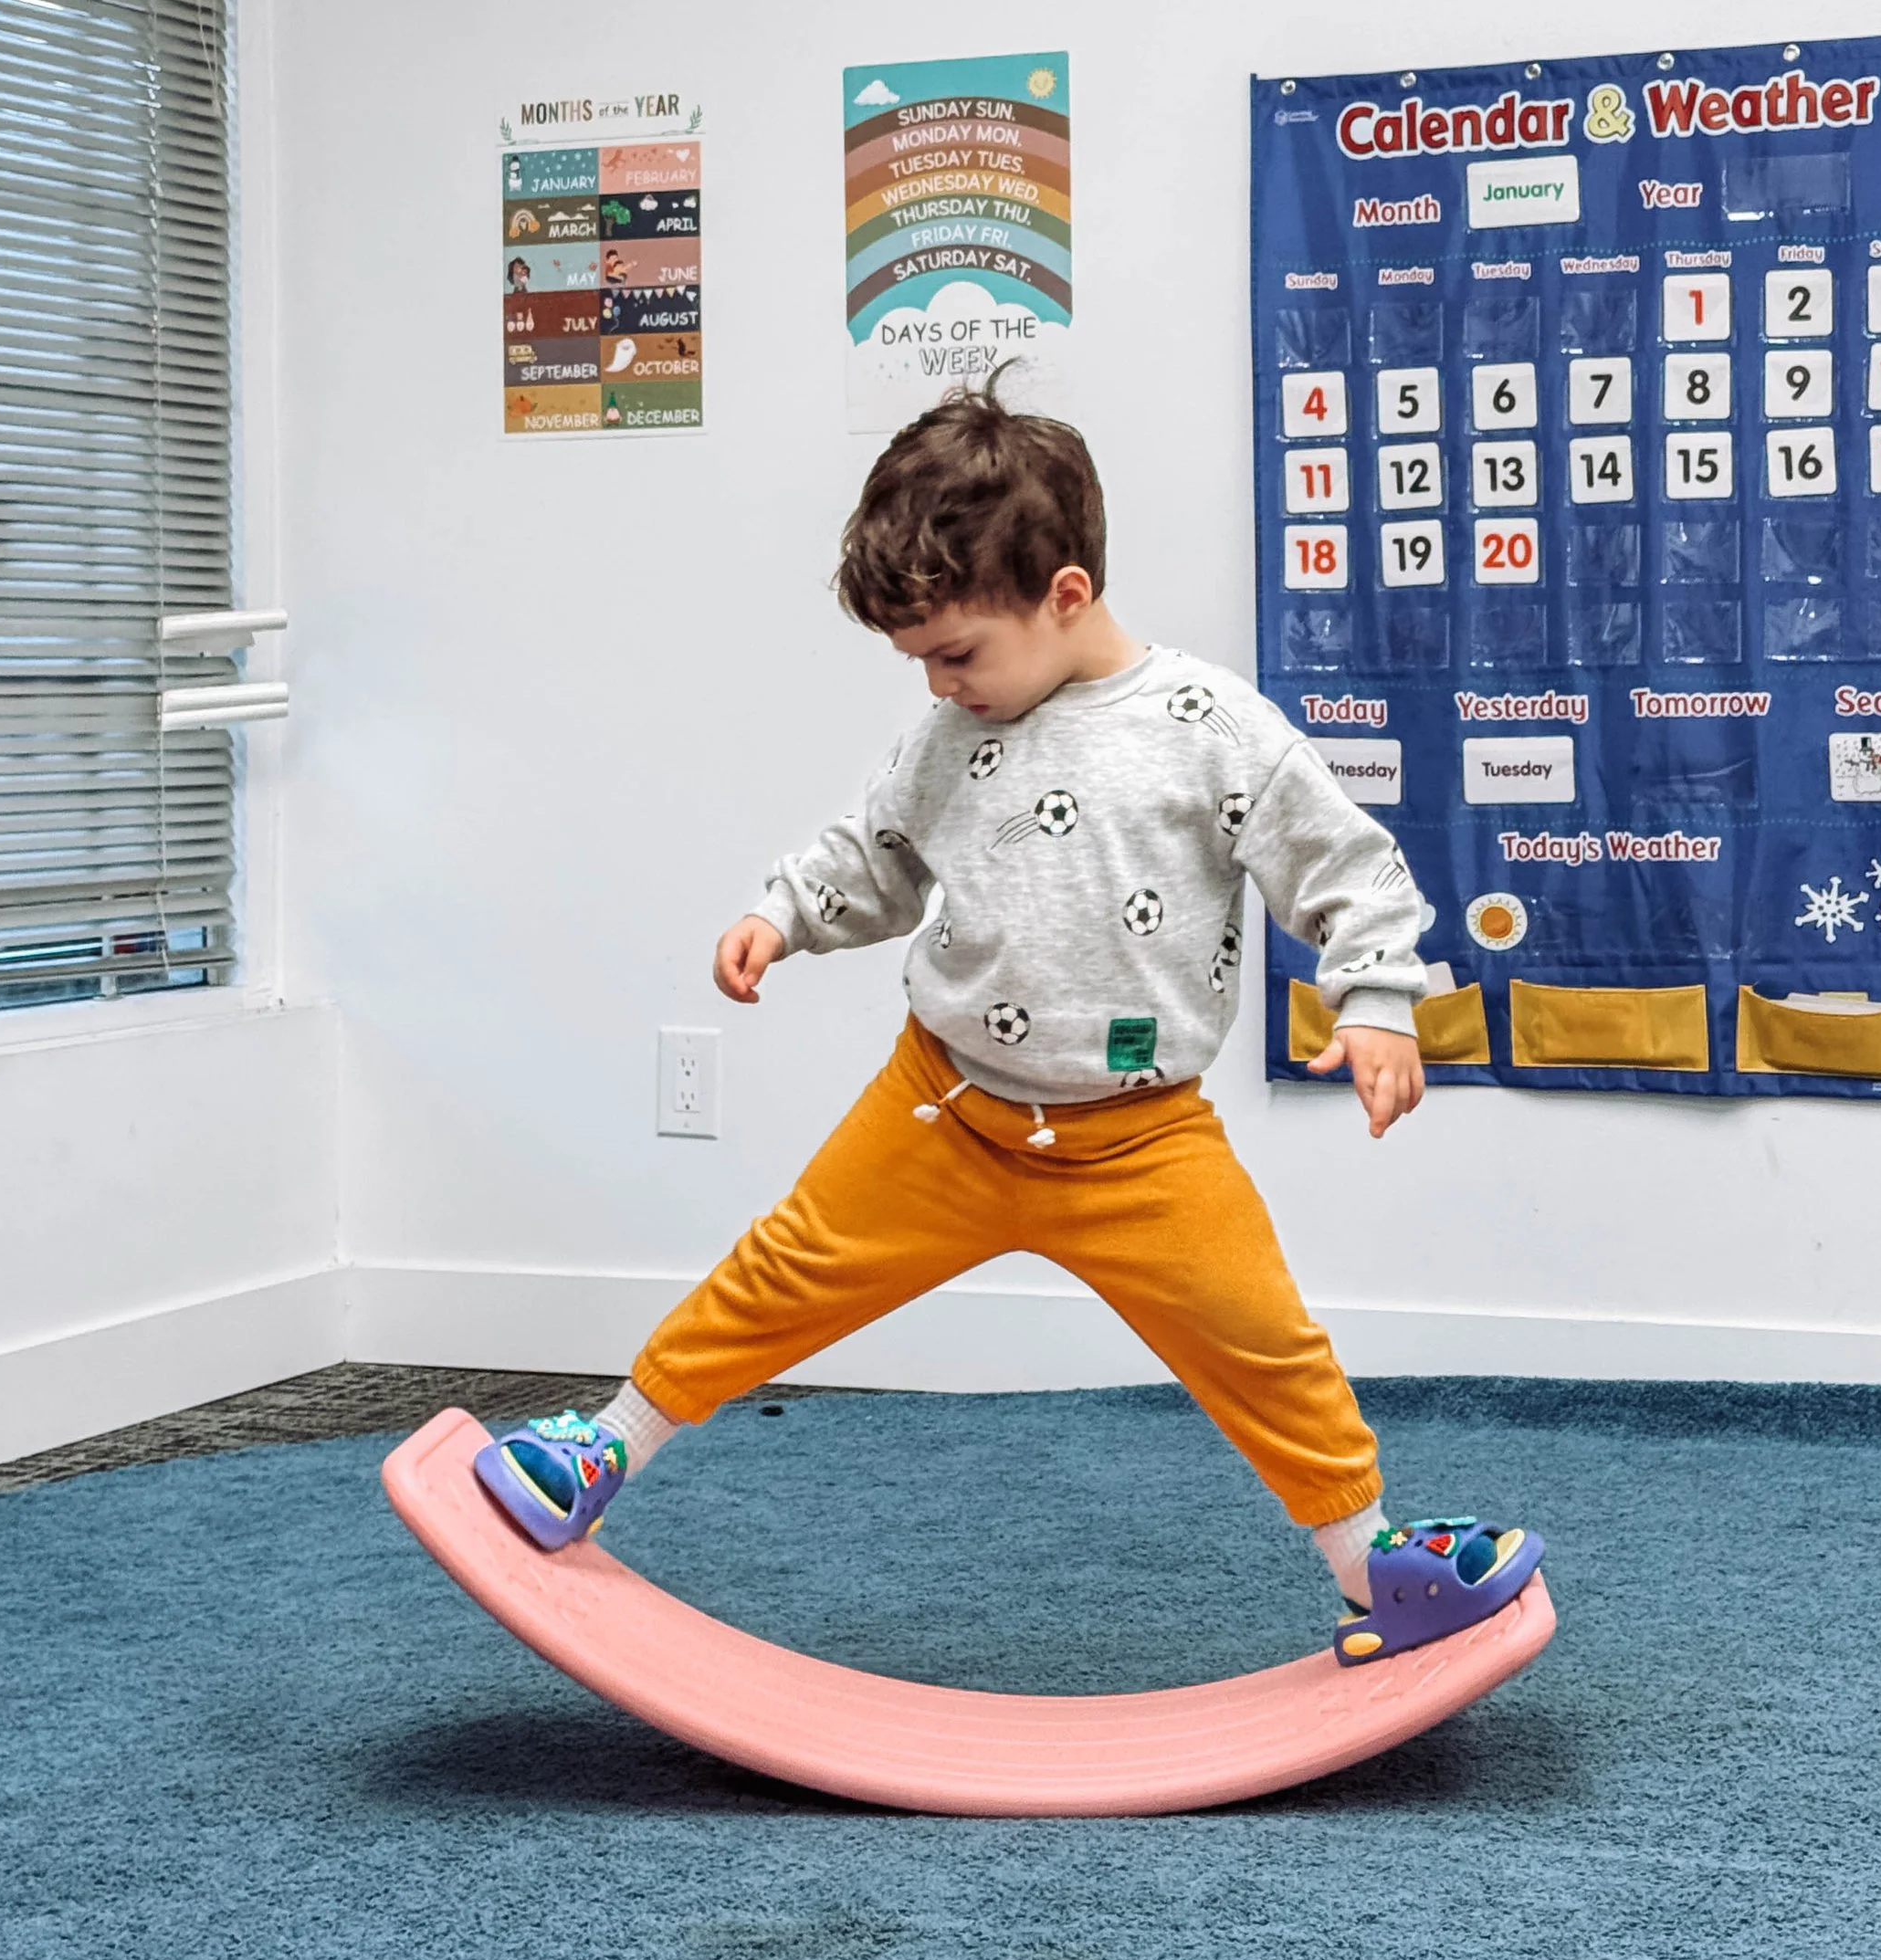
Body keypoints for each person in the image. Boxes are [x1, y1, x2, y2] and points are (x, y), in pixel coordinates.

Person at [475, 381, 1521, 1619]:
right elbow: (877, 853)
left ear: (1064, 595)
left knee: (1264, 1345)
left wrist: (1377, 1004)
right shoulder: (946, 740)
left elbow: (1343, 867)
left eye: (957, 653)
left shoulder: (1207, 728)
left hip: (1140, 1141)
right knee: (782, 1274)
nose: (938, 686)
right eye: (918, 662)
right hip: (944, 1109)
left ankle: (1373, 1571)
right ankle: (605, 1446)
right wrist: (783, 915)